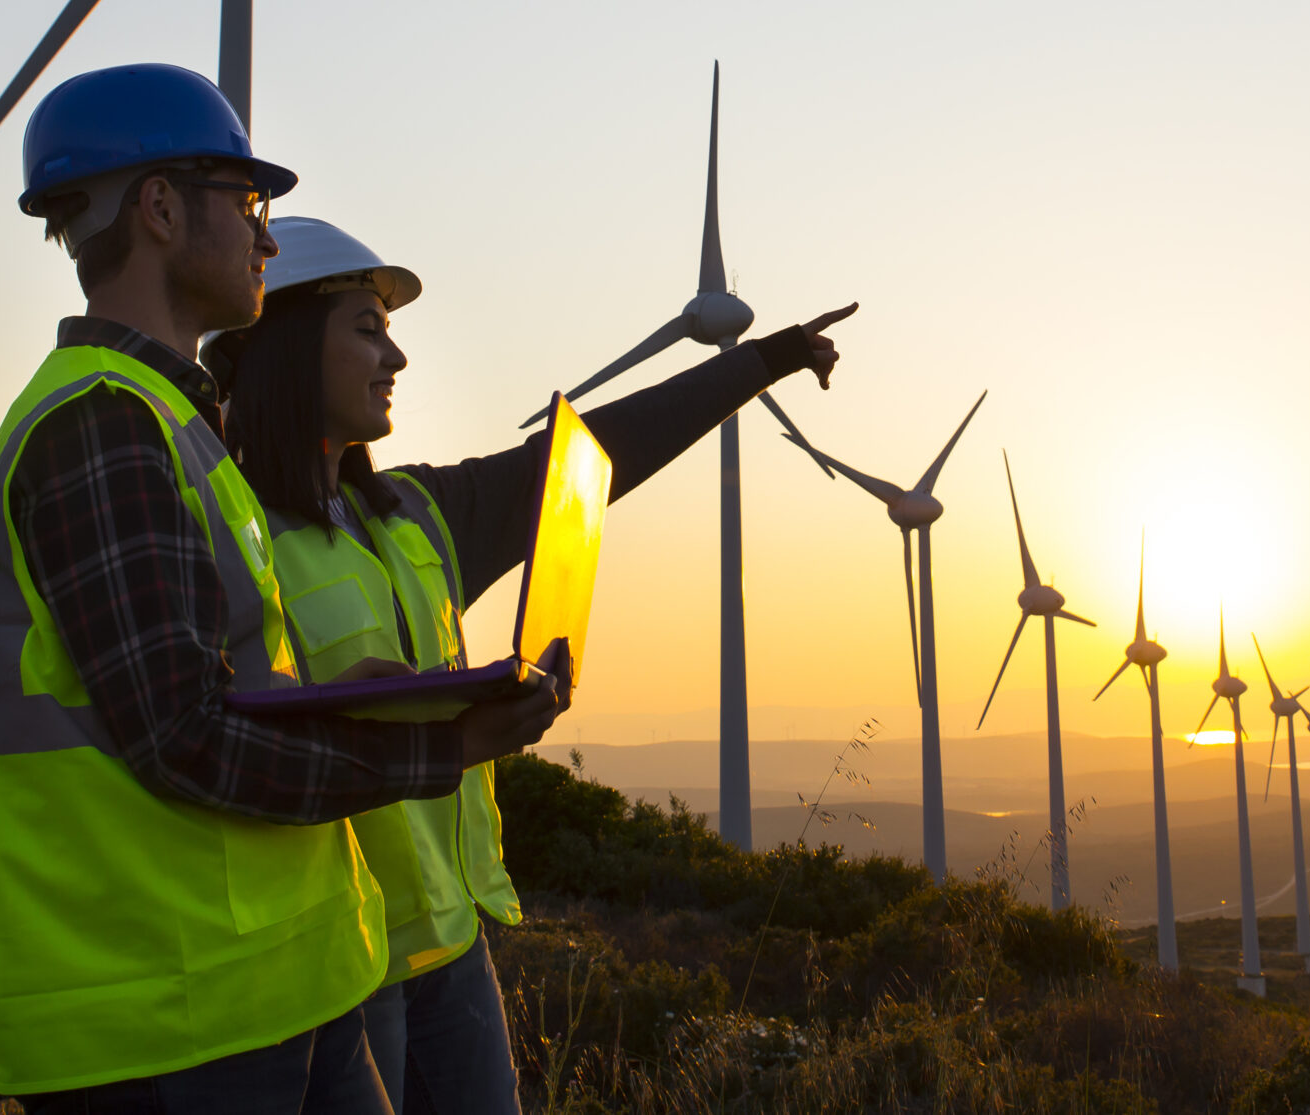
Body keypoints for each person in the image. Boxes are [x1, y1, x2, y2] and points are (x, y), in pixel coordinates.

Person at [0, 64, 568, 1112]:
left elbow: (216, 688)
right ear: (159, 208)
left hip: (278, 989)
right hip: (172, 1025)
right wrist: (446, 747)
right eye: (248, 204)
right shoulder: (102, 428)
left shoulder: (170, 424)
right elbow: (183, 737)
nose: (267, 238)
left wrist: (362, 694)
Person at [209, 214, 855, 1114]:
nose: (395, 359)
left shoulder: (421, 513)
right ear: (281, 349)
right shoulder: (227, 539)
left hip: (453, 945)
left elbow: (589, 459)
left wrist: (759, 362)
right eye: (367, 328)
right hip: (340, 963)